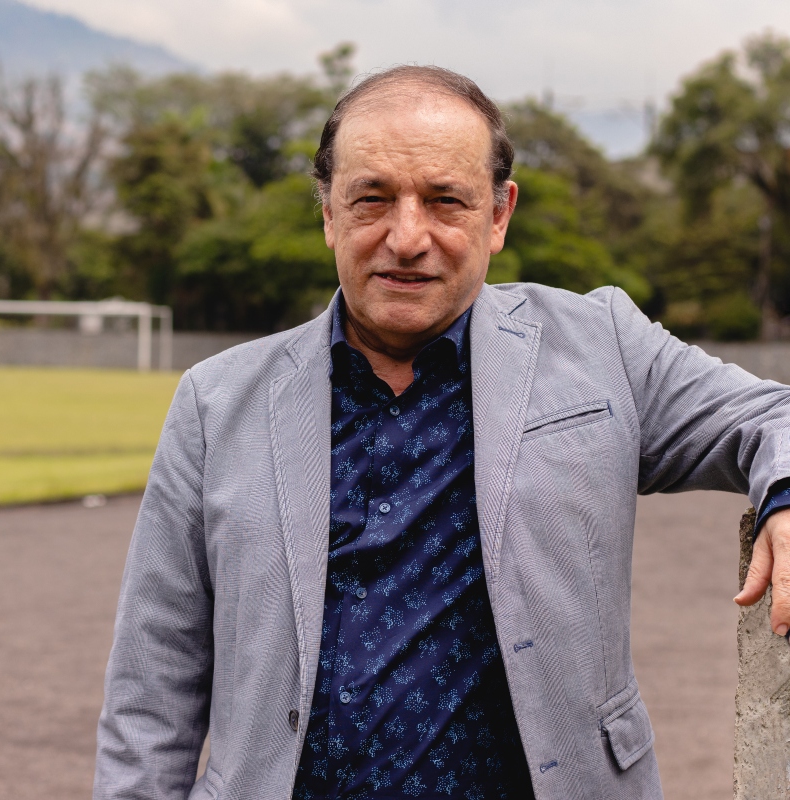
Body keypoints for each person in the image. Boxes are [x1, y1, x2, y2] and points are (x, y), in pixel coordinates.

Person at [93, 65, 790, 800]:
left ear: (498, 214)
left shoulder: (603, 347)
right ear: (328, 211)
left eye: (444, 200)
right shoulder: (215, 401)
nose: (406, 237)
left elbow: (773, 414)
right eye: (372, 199)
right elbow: (152, 684)